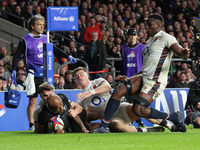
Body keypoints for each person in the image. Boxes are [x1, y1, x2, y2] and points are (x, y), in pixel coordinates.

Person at [91, 14, 190, 133]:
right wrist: (131, 77)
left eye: (149, 25)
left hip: (155, 80)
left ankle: (172, 117)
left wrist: (184, 53)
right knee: (119, 90)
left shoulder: (166, 37)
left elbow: (180, 52)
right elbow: (146, 66)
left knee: (138, 109)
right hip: (143, 76)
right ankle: (103, 127)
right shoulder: (149, 41)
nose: (146, 28)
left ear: (159, 25)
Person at [12, 14, 77, 131]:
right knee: (33, 100)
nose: (42, 27)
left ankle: (50, 121)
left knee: (49, 98)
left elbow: (55, 50)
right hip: (32, 73)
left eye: (43, 25)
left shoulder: (45, 38)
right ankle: (32, 125)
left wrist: (67, 56)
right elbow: (17, 55)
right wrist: (13, 69)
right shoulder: (25, 40)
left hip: (47, 72)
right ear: (32, 26)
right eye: (39, 25)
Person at [73, 67, 175, 133]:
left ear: (87, 75)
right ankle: (146, 130)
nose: (80, 77)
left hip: (119, 108)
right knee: (118, 126)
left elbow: (107, 87)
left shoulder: (97, 81)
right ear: (76, 80)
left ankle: (169, 124)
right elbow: (82, 114)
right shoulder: (80, 98)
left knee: (140, 110)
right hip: (107, 119)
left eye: (81, 74)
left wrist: (90, 92)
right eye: (77, 76)